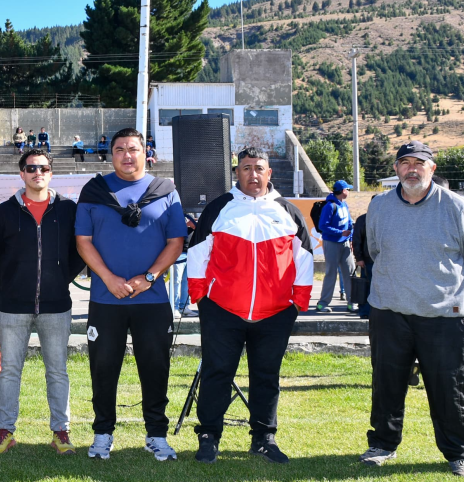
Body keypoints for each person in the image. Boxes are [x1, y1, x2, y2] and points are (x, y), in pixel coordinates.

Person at [361, 141, 464, 478]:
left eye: (420, 163)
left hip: (443, 316)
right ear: (396, 170)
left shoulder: (457, 207)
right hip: (389, 312)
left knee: (448, 387)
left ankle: (459, 453)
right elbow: (375, 250)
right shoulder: (379, 207)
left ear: (432, 169)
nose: (412, 169)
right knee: (386, 383)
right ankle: (382, 445)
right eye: (405, 163)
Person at [186, 148, 314, 464]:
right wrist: (201, 298)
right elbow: (198, 254)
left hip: (275, 313)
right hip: (222, 311)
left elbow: (305, 258)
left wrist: (298, 302)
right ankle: (209, 436)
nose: (253, 174)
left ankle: (263, 438)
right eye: (246, 168)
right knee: (217, 373)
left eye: (259, 168)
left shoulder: (287, 210)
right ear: (237, 173)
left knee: (266, 375)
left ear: (269, 173)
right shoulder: (220, 208)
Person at [76, 127, 187, 461]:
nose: (127, 155)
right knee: (103, 367)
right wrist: (108, 278)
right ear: (112, 154)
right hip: (106, 298)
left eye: (133, 149)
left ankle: (156, 435)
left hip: (151, 300)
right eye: (120, 149)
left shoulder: (166, 191)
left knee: (155, 368)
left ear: (145, 152)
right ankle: (102, 434)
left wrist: (149, 277)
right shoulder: (94, 190)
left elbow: (176, 242)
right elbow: (83, 242)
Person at [0, 150, 86, 455]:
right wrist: (11, 281)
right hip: (13, 304)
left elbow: (77, 253)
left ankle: (61, 431)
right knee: (9, 371)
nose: (37, 172)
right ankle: (5, 431)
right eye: (31, 168)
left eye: (43, 168)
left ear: (51, 173)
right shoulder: (2, 212)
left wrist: (60, 279)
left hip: (56, 304)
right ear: (21, 173)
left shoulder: (69, 210)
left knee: (57, 370)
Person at [316, 180, 355, 313]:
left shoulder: (345, 205)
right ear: (342, 191)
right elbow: (323, 226)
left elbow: (349, 223)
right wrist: (340, 232)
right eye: (347, 189)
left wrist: (349, 238)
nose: (349, 192)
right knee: (331, 273)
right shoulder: (330, 206)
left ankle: (352, 302)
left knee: (350, 272)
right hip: (331, 243)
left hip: (344, 243)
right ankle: (323, 303)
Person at [352, 204, 374, 319]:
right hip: (367, 260)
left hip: (382, 260)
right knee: (366, 287)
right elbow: (356, 240)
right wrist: (359, 258)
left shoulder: (387, 218)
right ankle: (365, 311)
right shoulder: (363, 219)